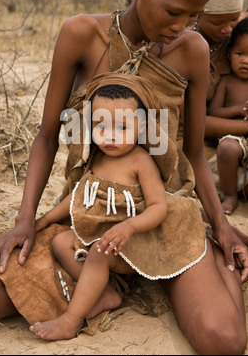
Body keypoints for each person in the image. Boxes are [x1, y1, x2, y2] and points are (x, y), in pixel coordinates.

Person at [0, 0, 248, 355]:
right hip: (90, 214)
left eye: (194, 15)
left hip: (164, 214)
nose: (183, 25)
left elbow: (193, 152)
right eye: (174, 11)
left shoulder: (192, 51)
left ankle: (204, 260)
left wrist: (221, 224)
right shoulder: (82, 34)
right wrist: (25, 221)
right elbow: (46, 137)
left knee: (223, 341)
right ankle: (104, 287)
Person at [30, 75, 207, 341]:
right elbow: (79, 196)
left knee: (99, 252)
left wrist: (129, 226)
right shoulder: (97, 157)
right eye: (101, 127)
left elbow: (159, 207)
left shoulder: (141, 162)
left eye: (122, 128)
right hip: (102, 236)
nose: (110, 136)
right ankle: (104, 293)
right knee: (60, 241)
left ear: (142, 126)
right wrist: (43, 220)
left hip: (134, 241)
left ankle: (71, 319)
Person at [208, 17, 248, 215]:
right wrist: (238, 110)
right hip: (233, 134)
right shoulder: (226, 81)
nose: (246, 60)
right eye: (240, 53)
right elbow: (213, 112)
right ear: (230, 53)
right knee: (226, 148)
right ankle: (231, 196)